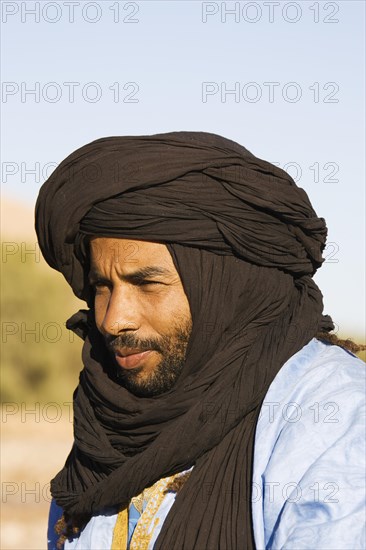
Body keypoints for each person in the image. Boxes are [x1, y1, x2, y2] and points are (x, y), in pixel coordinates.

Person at [35, 131, 365, 550]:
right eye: (103, 286)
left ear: (225, 286)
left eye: (146, 284)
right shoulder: (108, 426)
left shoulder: (335, 417)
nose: (115, 319)